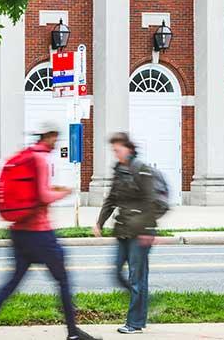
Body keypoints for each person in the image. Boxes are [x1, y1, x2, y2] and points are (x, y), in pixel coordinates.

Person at [0, 123, 99, 340]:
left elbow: (35, 191)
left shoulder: (25, 156)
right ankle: (72, 333)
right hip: (39, 233)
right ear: (48, 137)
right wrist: (65, 193)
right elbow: (43, 196)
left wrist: (54, 190)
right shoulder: (41, 159)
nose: (56, 142)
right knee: (63, 280)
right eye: (55, 138)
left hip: (19, 231)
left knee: (12, 282)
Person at [93, 132, 160, 335]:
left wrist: (148, 228)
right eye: (114, 150)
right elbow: (111, 199)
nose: (116, 153)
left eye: (118, 149)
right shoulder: (119, 170)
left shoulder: (141, 170)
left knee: (136, 278)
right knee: (117, 273)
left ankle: (135, 323)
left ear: (128, 149)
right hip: (123, 230)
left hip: (140, 232)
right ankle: (142, 304)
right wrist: (99, 223)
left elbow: (153, 202)